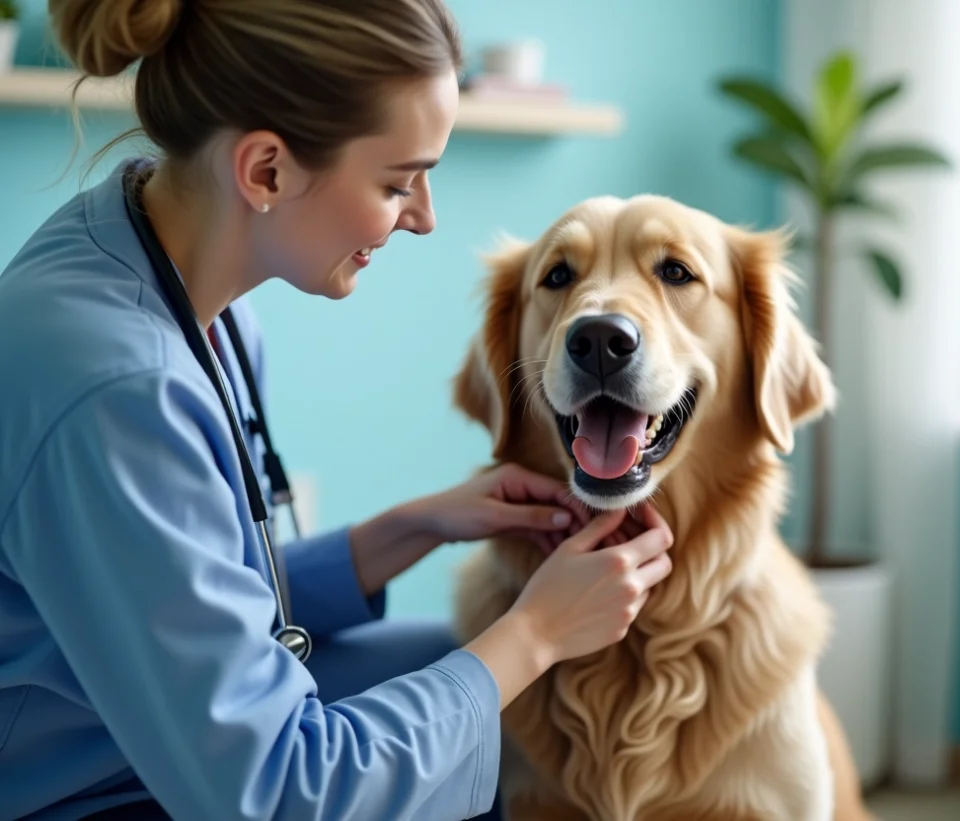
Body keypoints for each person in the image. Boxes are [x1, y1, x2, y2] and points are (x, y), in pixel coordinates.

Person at [0, 1, 676, 819]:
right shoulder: (117, 390)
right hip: (94, 793)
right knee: (495, 701)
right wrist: (535, 631)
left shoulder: (175, 280)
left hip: (148, 732)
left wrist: (407, 529)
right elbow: (280, 790)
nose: (424, 217)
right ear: (266, 172)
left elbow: (197, 610)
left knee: (469, 681)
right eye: (398, 181)